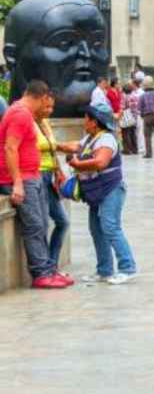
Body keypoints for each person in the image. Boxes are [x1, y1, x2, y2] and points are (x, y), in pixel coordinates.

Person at [0, 81, 71, 288]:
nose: (47, 109)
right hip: (22, 178)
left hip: (34, 176)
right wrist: (18, 183)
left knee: (41, 224)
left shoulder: (25, 114)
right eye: (46, 104)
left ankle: (48, 269)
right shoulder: (20, 114)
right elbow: (10, 149)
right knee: (33, 226)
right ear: (40, 97)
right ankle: (41, 274)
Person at [62, 105, 136, 285]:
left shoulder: (107, 139)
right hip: (95, 191)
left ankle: (127, 268)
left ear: (94, 122)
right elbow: (75, 146)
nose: (83, 122)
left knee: (110, 227)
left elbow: (101, 162)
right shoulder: (90, 138)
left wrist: (77, 165)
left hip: (111, 189)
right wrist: (52, 145)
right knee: (96, 230)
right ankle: (104, 270)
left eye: (86, 118)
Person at [35, 90, 70, 270]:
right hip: (37, 175)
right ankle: (46, 268)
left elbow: (51, 149)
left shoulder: (45, 123)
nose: (50, 110)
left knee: (63, 222)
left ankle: (52, 264)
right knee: (42, 223)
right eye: (47, 106)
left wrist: (58, 169)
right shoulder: (28, 122)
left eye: (52, 107)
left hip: (50, 175)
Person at [119, 79, 140, 156]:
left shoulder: (124, 97)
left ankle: (127, 149)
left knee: (125, 133)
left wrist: (119, 116)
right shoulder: (135, 96)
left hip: (126, 118)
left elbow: (122, 107)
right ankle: (135, 149)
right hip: (134, 117)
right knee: (133, 133)